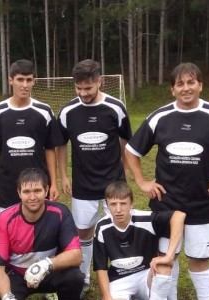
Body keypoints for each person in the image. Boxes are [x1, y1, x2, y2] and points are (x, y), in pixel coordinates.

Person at [125, 62, 209, 300]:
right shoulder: (160, 117)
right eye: (180, 84)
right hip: (166, 204)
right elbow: (131, 151)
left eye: (191, 82)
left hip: (202, 203)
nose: (186, 88)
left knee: (199, 259)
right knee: (166, 257)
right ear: (172, 89)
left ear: (200, 85)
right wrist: (142, 182)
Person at [55, 59, 132, 290]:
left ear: (99, 82)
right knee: (83, 231)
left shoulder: (115, 107)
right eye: (78, 88)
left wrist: (123, 169)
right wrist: (64, 175)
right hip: (83, 183)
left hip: (113, 181)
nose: (83, 93)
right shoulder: (68, 110)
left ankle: (121, 275)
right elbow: (60, 144)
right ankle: (84, 278)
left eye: (88, 88)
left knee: (119, 227)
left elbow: (125, 140)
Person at [0, 168, 84, 300]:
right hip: (16, 275)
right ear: (18, 193)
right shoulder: (4, 219)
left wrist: (46, 265)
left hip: (49, 271)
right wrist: (7, 296)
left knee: (75, 277)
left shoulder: (60, 212)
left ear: (46, 190)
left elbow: (76, 255)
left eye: (37, 191)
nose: (32, 197)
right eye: (26, 192)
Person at [0, 59, 60, 213]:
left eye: (28, 80)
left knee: (39, 233)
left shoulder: (44, 111)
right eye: (20, 80)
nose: (24, 85)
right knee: (7, 232)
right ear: (10, 80)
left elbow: (50, 149)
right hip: (7, 186)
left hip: (37, 187)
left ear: (34, 81)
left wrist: (53, 183)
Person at [93, 181, 186, 300]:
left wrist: (169, 255)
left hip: (146, 274)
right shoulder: (101, 227)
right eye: (113, 204)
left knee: (164, 267)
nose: (118, 209)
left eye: (123, 203)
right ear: (107, 204)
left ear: (131, 204)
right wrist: (106, 296)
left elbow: (179, 216)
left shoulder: (145, 219)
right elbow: (101, 267)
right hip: (119, 279)